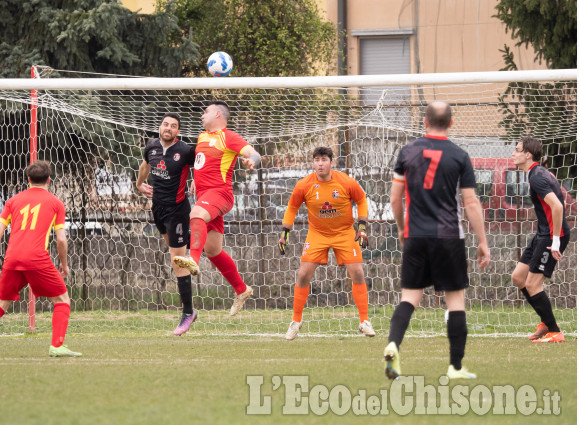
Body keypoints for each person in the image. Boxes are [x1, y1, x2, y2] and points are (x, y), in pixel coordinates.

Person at [385, 101, 490, 380]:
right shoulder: (459, 155)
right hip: (448, 237)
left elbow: (395, 198)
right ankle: (455, 367)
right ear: (451, 123)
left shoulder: (407, 152)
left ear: (424, 121)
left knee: (409, 298)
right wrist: (483, 240)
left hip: (416, 235)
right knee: (455, 301)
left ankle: (393, 345)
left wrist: (401, 228)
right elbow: (470, 202)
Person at [0, 161, 81, 357]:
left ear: (28, 179)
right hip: (36, 258)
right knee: (63, 299)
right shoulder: (56, 203)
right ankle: (56, 346)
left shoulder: (13, 201)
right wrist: (64, 265)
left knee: (0, 303)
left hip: (12, 258)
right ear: (49, 180)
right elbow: (61, 239)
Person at [173, 101, 262, 316]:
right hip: (206, 196)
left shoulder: (228, 136)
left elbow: (256, 155)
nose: (202, 116)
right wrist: (196, 179)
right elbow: (203, 163)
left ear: (217, 114)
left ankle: (192, 259)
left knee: (195, 214)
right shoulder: (202, 137)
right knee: (213, 250)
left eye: (205, 112)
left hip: (220, 194)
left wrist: (251, 162)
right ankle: (241, 289)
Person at [278, 146, 374, 340]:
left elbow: (362, 199)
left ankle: (364, 321)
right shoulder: (304, 185)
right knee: (303, 274)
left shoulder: (345, 181)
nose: (320, 164)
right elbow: (292, 207)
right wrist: (285, 232)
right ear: (313, 162)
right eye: (316, 160)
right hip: (317, 234)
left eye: (323, 160)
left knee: (357, 272)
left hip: (345, 232)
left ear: (331, 162)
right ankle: (296, 322)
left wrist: (362, 227)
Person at [136, 113, 198, 335]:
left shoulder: (186, 150)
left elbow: (199, 168)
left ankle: (188, 312)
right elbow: (145, 164)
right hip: (158, 209)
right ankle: (194, 244)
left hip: (177, 210)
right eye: (165, 124)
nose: (168, 128)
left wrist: (196, 184)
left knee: (177, 263)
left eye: (173, 126)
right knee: (175, 251)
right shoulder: (151, 146)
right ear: (160, 127)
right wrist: (139, 183)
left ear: (178, 131)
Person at [510, 136, 570, 343]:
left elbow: (558, 206)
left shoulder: (537, 176)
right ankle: (545, 322)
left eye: (517, 150)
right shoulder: (538, 172)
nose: (513, 153)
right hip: (543, 233)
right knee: (518, 278)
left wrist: (554, 241)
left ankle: (555, 332)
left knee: (533, 284)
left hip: (553, 235)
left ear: (528, 154)